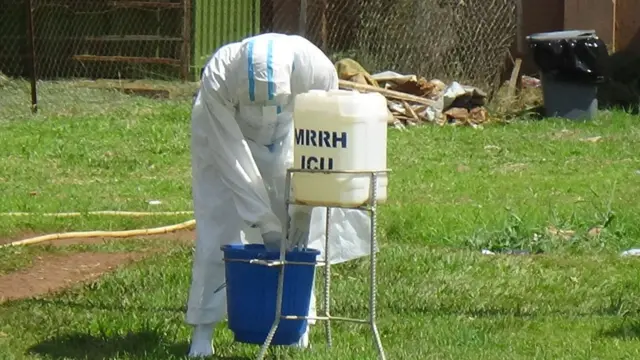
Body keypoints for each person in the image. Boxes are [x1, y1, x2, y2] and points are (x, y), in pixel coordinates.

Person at [187, 32, 373, 357]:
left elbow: (319, 146)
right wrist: (263, 221)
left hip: (290, 134)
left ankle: (299, 322)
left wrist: (304, 207)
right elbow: (231, 159)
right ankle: (203, 332)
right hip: (224, 135)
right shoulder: (218, 75)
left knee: (303, 234)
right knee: (219, 224)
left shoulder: (317, 70)